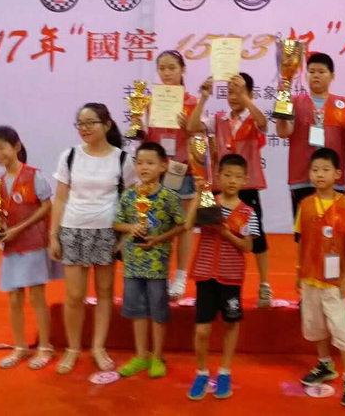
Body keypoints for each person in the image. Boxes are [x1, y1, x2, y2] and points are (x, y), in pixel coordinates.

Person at [50, 103, 137, 373]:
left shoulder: (122, 159)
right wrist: (54, 236)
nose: (84, 128)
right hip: (73, 229)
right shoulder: (70, 156)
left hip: (107, 231)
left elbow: (132, 200)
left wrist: (125, 236)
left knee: (104, 293)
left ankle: (99, 347)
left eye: (91, 122)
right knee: (74, 295)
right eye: (80, 123)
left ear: (107, 125)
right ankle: (73, 348)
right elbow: (60, 198)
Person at [188, 73, 273, 308]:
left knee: (256, 236)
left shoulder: (253, 117)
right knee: (213, 230)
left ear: (249, 94)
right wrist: (204, 97)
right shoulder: (218, 119)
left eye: (238, 91)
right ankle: (209, 282)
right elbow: (192, 127)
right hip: (219, 187)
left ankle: (264, 285)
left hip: (248, 186)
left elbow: (263, 123)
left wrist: (245, 98)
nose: (233, 97)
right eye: (230, 92)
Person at [186, 154, 260, 401]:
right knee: (202, 330)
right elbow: (188, 224)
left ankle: (225, 371)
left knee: (231, 324)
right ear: (218, 176)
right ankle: (201, 372)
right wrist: (198, 195)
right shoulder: (210, 202)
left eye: (238, 176)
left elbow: (248, 247)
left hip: (231, 277)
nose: (232, 180)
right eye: (227, 175)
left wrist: (226, 233)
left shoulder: (248, 212)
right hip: (206, 274)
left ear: (245, 180)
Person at [0, 126, 61, 370]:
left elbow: (47, 207)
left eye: (1, 147)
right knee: (14, 299)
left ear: (17, 146)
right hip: (11, 248)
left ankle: (45, 347)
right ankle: (20, 347)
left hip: (33, 245)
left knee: (37, 297)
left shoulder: (33, 176)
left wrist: (19, 229)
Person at [295, 148, 345, 408]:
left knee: (341, 329)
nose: (320, 174)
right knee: (316, 325)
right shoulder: (305, 205)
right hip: (310, 278)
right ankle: (325, 365)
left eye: (325, 169)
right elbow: (301, 241)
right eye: (315, 170)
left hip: (334, 281)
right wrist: (298, 273)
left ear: (337, 174)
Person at [114, 142, 186, 378]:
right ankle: (140, 355)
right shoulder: (129, 195)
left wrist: (159, 239)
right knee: (137, 311)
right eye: (140, 162)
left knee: (158, 311)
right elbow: (117, 223)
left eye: (150, 163)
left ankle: (157, 356)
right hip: (132, 264)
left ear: (163, 166)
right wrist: (131, 227)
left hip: (157, 266)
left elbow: (181, 225)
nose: (144, 167)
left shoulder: (169, 197)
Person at [276, 52, 345, 233]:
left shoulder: (344, 105)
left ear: (332, 76)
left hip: (334, 181)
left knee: (334, 235)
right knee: (304, 234)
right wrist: (282, 102)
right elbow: (283, 132)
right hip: (302, 179)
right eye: (312, 71)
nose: (316, 75)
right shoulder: (294, 102)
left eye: (321, 72)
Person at [146, 50, 198, 299]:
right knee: (158, 223)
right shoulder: (150, 101)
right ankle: (161, 274)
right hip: (158, 171)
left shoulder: (192, 102)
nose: (166, 73)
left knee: (184, 225)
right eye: (162, 68)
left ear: (182, 70)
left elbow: (200, 139)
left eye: (172, 68)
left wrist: (189, 129)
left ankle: (180, 276)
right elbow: (145, 136)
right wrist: (137, 120)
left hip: (182, 169)